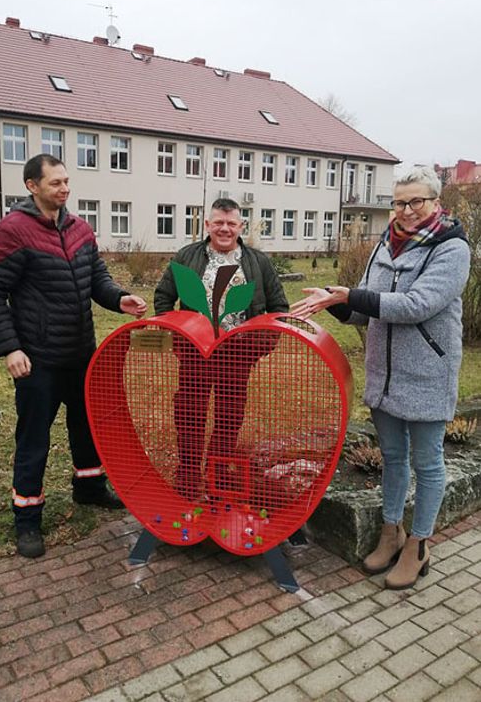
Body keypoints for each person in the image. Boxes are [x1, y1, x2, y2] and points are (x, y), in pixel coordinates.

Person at [291, 166, 469, 590]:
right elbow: (365, 308)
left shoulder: (451, 247)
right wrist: (334, 303)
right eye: (399, 203)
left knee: (427, 463)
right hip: (384, 375)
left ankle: (420, 543)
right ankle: (392, 532)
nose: (406, 211)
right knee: (392, 457)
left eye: (415, 202)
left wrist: (351, 295)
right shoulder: (385, 245)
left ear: (435, 203)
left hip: (427, 373)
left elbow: (416, 305)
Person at [0, 154, 147, 558]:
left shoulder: (80, 228)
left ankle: (89, 488)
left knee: (88, 426)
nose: (64, 189)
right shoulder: (14, 231)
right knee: (34, 439)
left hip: (80, 353)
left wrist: (119, 297)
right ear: (32, 186)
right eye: (55, 183)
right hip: (37, 359)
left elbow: (96, 280)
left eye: (66, 181)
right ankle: (27, 520)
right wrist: (11, 348)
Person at [154, 198, 289, 501]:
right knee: (189, 413)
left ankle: (217, 474)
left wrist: (260, 346)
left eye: (231, 223)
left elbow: (279, 308)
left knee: (229, 416)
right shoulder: (187, 257)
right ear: (207, 225)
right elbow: (163, 297)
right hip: (195, 353)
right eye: (218, 223)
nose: (224, 229)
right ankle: (188, 476)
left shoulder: (258, 262)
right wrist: (177, 336)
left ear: (240, 226)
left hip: (237, 355)